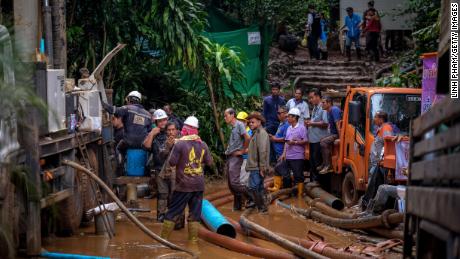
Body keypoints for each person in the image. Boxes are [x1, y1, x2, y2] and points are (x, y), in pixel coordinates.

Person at [160, 116, 213, 244]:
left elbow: (172, 162)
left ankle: (162, 240)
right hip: (198, 186)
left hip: (183, 185)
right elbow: (210, 162)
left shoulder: (180, 144)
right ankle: (193, 242)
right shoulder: (203, 144)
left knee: (172, 212)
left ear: (185, 129)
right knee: (195, 214)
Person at [102, 91, 152, 162]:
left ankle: (121, 166)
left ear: (129, 99)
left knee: (118, 148)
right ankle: (147, 166)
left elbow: (113, 110)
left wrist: (103, 104)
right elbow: (149, 131)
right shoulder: (148, 114)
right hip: (142, 144)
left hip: (129, 142)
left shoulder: (127, 108)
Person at [361, 111, 393, 210]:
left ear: (381, 119)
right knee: (373, 185)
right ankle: (370, 206)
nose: (374, 119)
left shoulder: (386, 128)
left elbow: (388, 144)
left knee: (374, 185)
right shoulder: (381, 128)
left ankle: (370, 207)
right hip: (376, 163)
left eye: (375, 117)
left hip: (380, 164)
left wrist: (383, 160)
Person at [143, 109, 171, 222]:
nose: (162, 123)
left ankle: (174, 217)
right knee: (162, 194)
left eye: (164, 120)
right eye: (160, 121)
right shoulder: (153, 134)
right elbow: (146, 147)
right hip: (159, 169)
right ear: (156, 122)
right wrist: (152, 134)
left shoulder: (172, 131)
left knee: (174, 194)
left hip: (173, 169)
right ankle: (161, 216)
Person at [224, 108, 251, 211]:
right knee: (231, 184)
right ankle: (237, 206)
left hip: (237, 157)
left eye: (226, 115)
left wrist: (243, 151)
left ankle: (252, 196)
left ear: (232, 115)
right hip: (231, 156)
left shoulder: (239, 125)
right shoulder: (233, 127)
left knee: (235, 183)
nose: (225, 118)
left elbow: (247, 138)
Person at [280, 108, 308, 198]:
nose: (287, 118)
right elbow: (286, 142)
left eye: (289, 116)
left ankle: (299, 195)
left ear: (295, 118)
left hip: (297, 156)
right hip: (288, 156)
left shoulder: (302, 128)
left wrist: (295, 142)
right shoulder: (288, 128)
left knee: (298, 176)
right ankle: (288, 193)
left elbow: (306, 141)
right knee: (284, 173)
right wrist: (284, 154)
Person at [245, 112, 270, 214]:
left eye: (252, 122)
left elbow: (262, 151)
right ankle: (262, 208)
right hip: (255, 166)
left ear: (259, 122)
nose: (250, 124)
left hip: (257, 166)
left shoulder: (261, 133)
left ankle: (262, 208)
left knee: (254, 187)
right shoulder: (256, 133)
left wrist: (262, 168)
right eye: (249, 122)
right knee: (258, 187)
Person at [306, 88, 329, 184]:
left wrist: (311, 123)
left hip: (319, 140)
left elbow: (325, 123)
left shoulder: (322, 107)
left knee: (317, 162)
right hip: (312, 140)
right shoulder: (315, 107)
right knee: (312, 162)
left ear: (318, 96)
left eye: (312, 97)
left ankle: (319, 184)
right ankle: (313, 182)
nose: (310, 100)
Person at [268, 106, 289, 192]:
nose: (278, 115)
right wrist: (273, 137)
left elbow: (286, 139)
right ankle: (278, 187)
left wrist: (274, 139)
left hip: (282, 152)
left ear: (285, 113)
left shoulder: (287, 124)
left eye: (280, 113)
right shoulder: (281, 123)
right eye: (278, 113)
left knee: (282, 170)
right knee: (279, 169)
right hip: (278, 152)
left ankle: (287, 189)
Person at [263, 83, 285, 162]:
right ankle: (271, 160)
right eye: (273, 89)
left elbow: (283, 112)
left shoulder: (282, 100)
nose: (275, 91)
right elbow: (264, 113)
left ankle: (278, 160)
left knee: (278, 142)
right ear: (271, 90)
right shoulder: (267, 100)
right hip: (269, 125)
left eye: (276, 89)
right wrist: (265, 125)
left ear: (279, 90)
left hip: (279, 125)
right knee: (269, 143)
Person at [319, 97, 342, 174]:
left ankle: (328, 165)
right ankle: (324, 163)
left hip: (337, 134)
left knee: (323, 142)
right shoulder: (328, 111)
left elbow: (338, 124)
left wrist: (341, 138)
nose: (321, 104)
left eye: (323, 102)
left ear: (329, 103)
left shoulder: (334, 110)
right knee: (322, 139)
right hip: (333, 133)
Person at [237, 111, 252, 187]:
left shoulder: (249, 132)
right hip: (240, 158)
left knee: (243, 180)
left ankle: (247, 196)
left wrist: (243, 151)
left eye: (241, 121)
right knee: (242, 178)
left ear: (246, 122)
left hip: (246, 159)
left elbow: (253, 148)